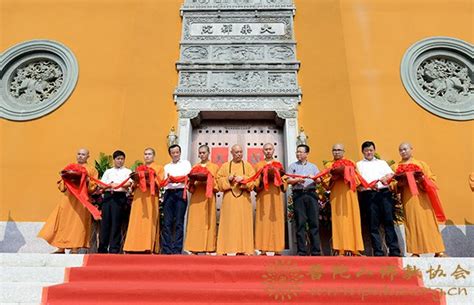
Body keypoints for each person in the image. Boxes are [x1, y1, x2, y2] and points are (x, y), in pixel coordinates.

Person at [38, 148, 98, 254]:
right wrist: (66, 178)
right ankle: (61, 248)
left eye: (83, 154)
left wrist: (86, 179)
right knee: (63, 223)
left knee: (77, 224)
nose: (80, 156)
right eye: (79, 154)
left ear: (88, 156)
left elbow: (93, 187)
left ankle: (75, 249)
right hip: (67, 200)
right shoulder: (70, 167)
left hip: (81, 201)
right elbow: (61, 186)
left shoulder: (91, 170)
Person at [393, 142, 446, 257]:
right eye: (400, 150)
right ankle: (415, 252)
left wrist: (422, 179)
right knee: (412, 224)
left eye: (405, 149)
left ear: (411, 149)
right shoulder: (396, 167)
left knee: (430, 224)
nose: (403, 152)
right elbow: (392, 185)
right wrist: (400, 184)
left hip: (424, 200)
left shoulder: (421, 164)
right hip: (409, 200)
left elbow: (432, 180)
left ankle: (438, 251)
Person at [356, 141, 401, 256]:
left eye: (371, 150)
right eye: (366, 151)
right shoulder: (359, 165)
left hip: (384, 193)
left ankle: (394, 250)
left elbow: (391, 175)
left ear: (374, 150)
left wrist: (386, 177)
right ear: (363, 152)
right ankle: (378, 251)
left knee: (388, 222)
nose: (369, 152)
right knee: (373, 224)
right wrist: (367, 187)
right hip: (369, 195)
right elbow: (357, 184)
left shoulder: (382, 163)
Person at [323, 144, 364, 256]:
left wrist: (347, 173)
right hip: (336, 195)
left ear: (343, 151)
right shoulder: (329, 164)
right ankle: (339, 249)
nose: (336, 152)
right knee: (338, 220)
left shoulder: (351, 162)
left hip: (350, 193)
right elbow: (325, 182)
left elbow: (358, 178)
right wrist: (334, 177)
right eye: (334, 150)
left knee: (353, 219)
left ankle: (355, 249)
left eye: (339, 150)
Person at [216, 144, 256, 255]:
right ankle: (226, 248)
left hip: (244, 200)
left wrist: (243, 179)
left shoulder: (248, 166)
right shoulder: (225, 166)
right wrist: (228, 180)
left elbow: (254, 181)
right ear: (231, 153)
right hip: (229, 200)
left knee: (244, 224)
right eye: (236, 152)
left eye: (240, 152)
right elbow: (218, 181)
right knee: (229, 224)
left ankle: (245, 249)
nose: (239, 154)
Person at [123, 148, 164, 253]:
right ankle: (132, 246)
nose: (147, 156)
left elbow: (160, 182)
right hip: (138, 197)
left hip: (150, 197)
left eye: (149, 154)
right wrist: (137, 180)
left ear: (154, 156)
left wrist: (149, 179)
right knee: (135, 220)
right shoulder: (139, 168)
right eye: (145, 154)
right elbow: (133, 183)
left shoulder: (159, 168)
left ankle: (148, 246)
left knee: (149, 220)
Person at [287, 144, 321, 256]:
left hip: (311, 195)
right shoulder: (292, 166)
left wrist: (315, 178)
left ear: (307, 154)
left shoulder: (313, 167)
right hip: (299, 195)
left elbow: (319, 180)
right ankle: (302, 251)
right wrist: (296, 180)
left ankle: (315, 251)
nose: (298, 154)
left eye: (301, 152)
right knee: (300, 223)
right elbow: (287, 180)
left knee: (314, 223)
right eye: (297, 152)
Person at [184, 145, 219, 254]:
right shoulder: (195, 167)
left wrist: (208, 180)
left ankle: (209, 248)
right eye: (200, 153)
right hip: (196, 197)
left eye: (204, 152)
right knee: (195, 222)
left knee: (208, 221)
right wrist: (192, 181)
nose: (202, 155)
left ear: (209, 153)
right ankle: (194, 248)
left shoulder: (214, 167)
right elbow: (190, 185)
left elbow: (217, 184)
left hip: (207, 197)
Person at [254, 143, 287, 255]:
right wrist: (263, 180)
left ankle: (277, 248)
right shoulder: (259, 165)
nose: (268, 151)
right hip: (263, 196)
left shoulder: (278, 164)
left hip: (275, 196)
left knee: (276, 221)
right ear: (263, 151)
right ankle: (263, 248)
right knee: (263, 221)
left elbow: (284, 179)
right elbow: (255, 181)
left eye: (270, 149)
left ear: (273, 150)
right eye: (266, 149)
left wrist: (277, 177)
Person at [98, 150, 132, 254]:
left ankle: (114, 248)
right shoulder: (108, 172)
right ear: (114, 160)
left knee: (116, 223)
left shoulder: (127, 171)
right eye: (118, 159)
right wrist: (110, 185)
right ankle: (102, 248)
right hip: (108, 197)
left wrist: (118, 185)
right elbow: (101, 184)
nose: (120, 161)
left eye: (122, 159)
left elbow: (129, 183)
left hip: (120, 197)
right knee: (105, 223)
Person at [162, 144, 192, 254]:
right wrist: (171, 180)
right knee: (167, 222)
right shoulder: (166, 167)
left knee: (179, 222)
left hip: (180, 193)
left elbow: (187, 177)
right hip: (169, 193)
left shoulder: (186, 164)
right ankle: (166, 249)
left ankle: (177, 249)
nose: (175, 154)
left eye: (177, 152)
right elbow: (165, 180)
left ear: (180, 152)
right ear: (170, 154)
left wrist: (176, 180)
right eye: (173, 153)